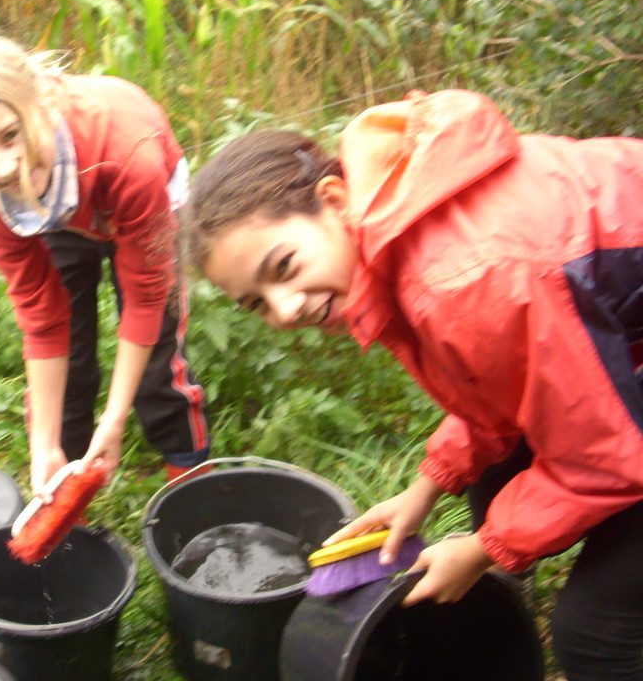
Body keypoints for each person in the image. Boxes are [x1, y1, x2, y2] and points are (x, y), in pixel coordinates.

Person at [182, 88, 643, 681]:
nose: (286, 308)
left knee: (596, 633)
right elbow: (502, 385)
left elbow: (610, 459)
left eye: (283, 267)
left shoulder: (463, 280)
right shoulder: (397, 223)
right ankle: (500, 600)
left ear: (333, 198)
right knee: (497, 474)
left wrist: (485, 549)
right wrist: (428, 486)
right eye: (256, 303)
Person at [0, 30, 209, 501]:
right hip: (51, 202)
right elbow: (43, 321)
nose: (3, 166)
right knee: (72, 362)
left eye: (10, 136)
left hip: (123, 186)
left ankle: (191, 488)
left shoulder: (127, 157)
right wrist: (43, 446)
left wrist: (115, 419)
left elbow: (144, 295)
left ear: (38, 111)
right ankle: (66, 488)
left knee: (156, 362)